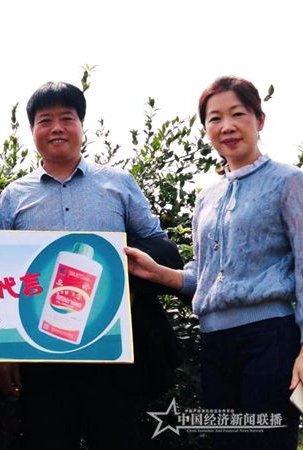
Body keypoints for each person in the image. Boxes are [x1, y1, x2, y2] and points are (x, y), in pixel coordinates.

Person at [0, 81, 184, 450]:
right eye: (45, 120)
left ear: (82, 125)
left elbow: (160, 248)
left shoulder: (117, 183)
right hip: (42, 350)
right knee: (47, 438)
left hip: (111, 347)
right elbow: (3, 277)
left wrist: (124, 269)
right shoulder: (14, 196)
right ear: (32, 130)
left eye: (67, 118)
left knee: (116, 437)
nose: (57, 128)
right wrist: (4, 354)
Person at [125, 76, 303, 450]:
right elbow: (203, 276)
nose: (227, 126)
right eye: (215, 118)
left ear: (260, 119)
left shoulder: (289, 182)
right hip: (215, 342)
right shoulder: (207, 197)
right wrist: (156, 272)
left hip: (269, 339)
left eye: (237, 114)